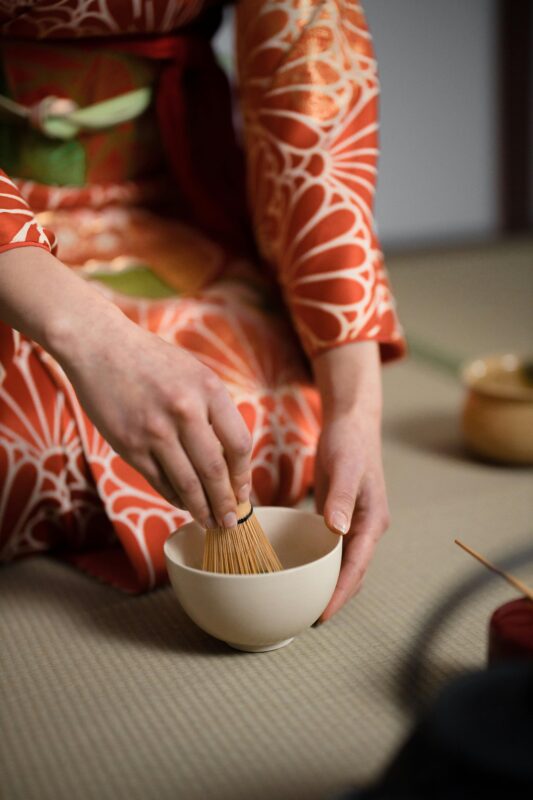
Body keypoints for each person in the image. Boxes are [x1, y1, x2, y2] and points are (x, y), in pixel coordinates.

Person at [0, 0, 404, 617]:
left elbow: (313, 67)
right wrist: (94, 340)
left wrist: (357, 405)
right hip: (15, 256)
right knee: (27, 439)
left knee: (271, 407)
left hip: (164, 215)